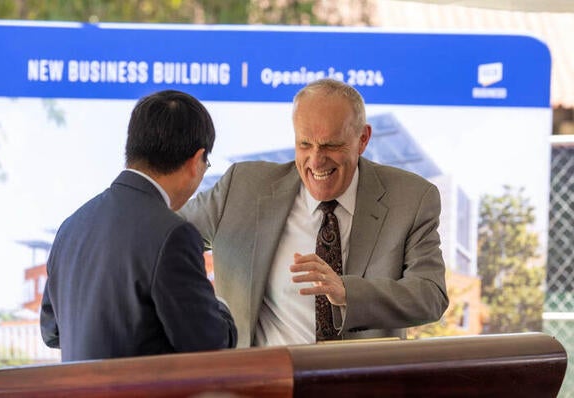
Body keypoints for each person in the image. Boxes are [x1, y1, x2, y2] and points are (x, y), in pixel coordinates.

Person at [178, 78, 448, 348]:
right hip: (266, 383)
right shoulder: (242, 189)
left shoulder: (411, 198)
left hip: (362, 382)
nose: (316, 160)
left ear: (363, 139)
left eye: (331, 145)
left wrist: (347, 292)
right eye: (305, 144)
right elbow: (163, 237)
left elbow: (430, 295)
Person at [40, 90, 237, 361]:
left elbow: (52, 332)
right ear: (196, 160)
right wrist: (223, 307)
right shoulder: (173, 234)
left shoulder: (71, 227)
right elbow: (208, 343)